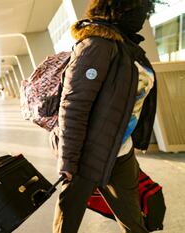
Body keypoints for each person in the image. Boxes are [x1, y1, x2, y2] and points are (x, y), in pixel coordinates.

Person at [50, 0, 161, 232]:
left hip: (120, 151)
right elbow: (74, 105)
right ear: (114, 9)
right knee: (67, 225)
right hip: (85, 154)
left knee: (134, 222)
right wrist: (69, 160)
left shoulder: (128, 46)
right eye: (133, 8)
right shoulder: (96, 46)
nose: (140, 15)